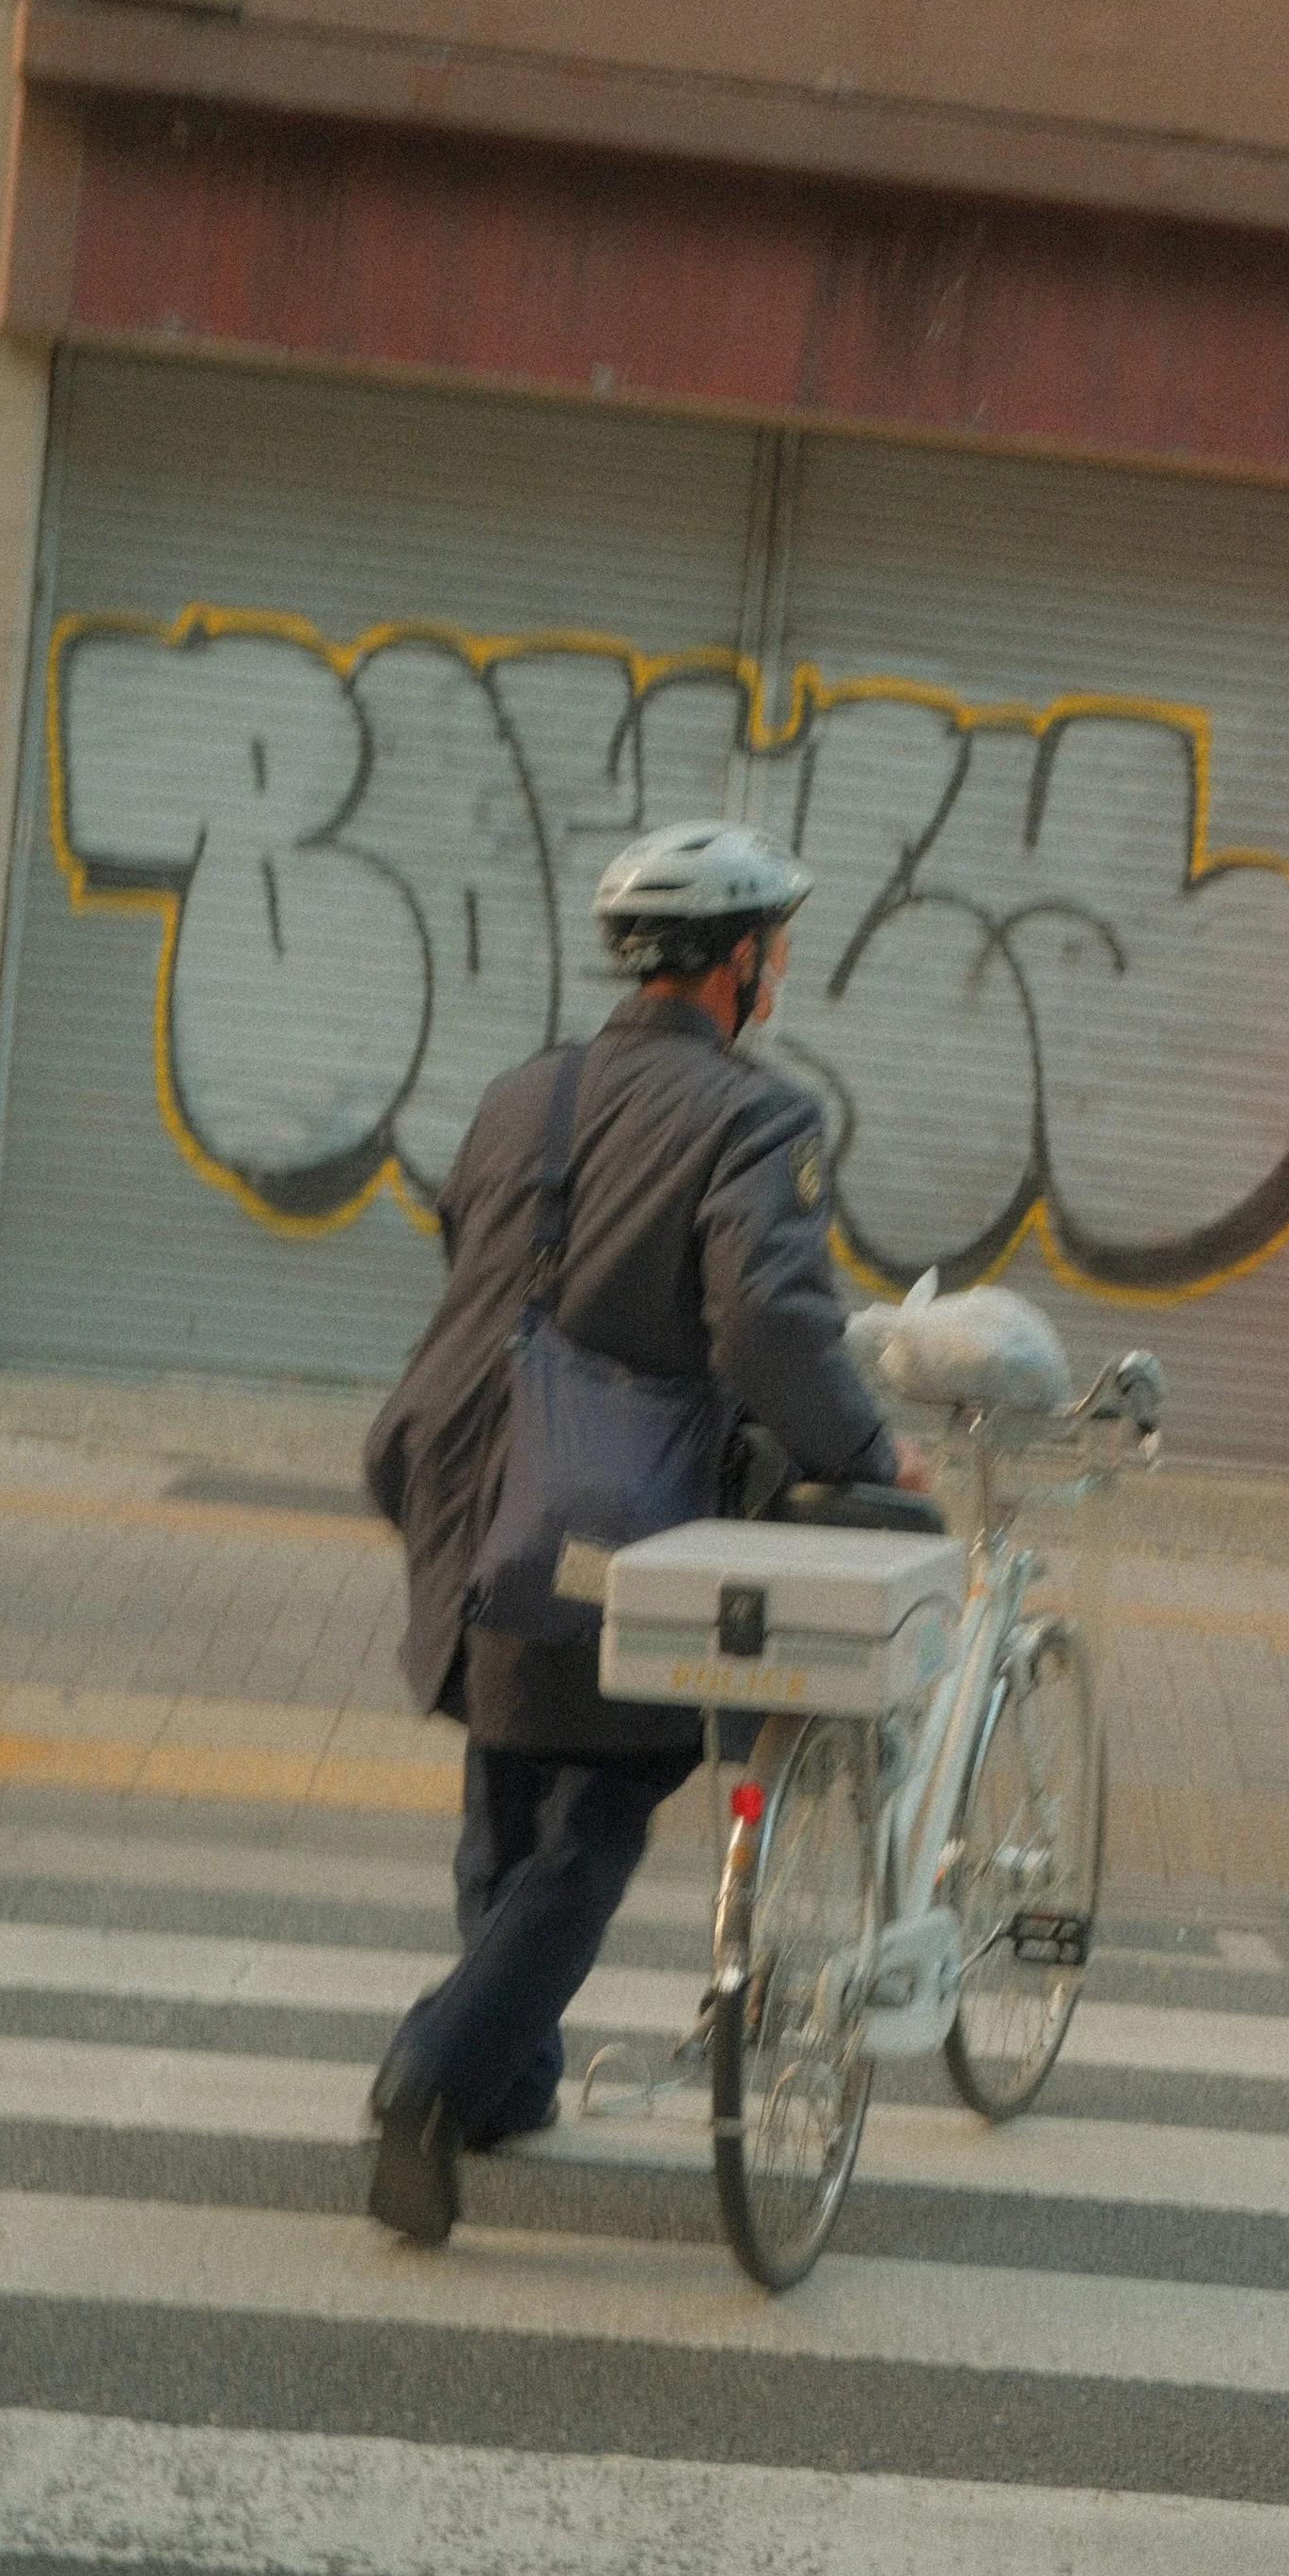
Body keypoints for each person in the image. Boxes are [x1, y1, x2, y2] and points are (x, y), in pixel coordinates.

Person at [361, 820, 925, 2249]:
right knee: (605, 1799)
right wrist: (871, 1453)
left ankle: (507, 2078)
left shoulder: (517, 1094)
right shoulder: (756, 1117)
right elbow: (766, 1317)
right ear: (737, 964)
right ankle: (436, 2067)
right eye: (775, 942)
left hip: (457, 1466)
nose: (780, 963)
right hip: (599, 1497)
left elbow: (471, 1259)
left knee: (508, 1754)